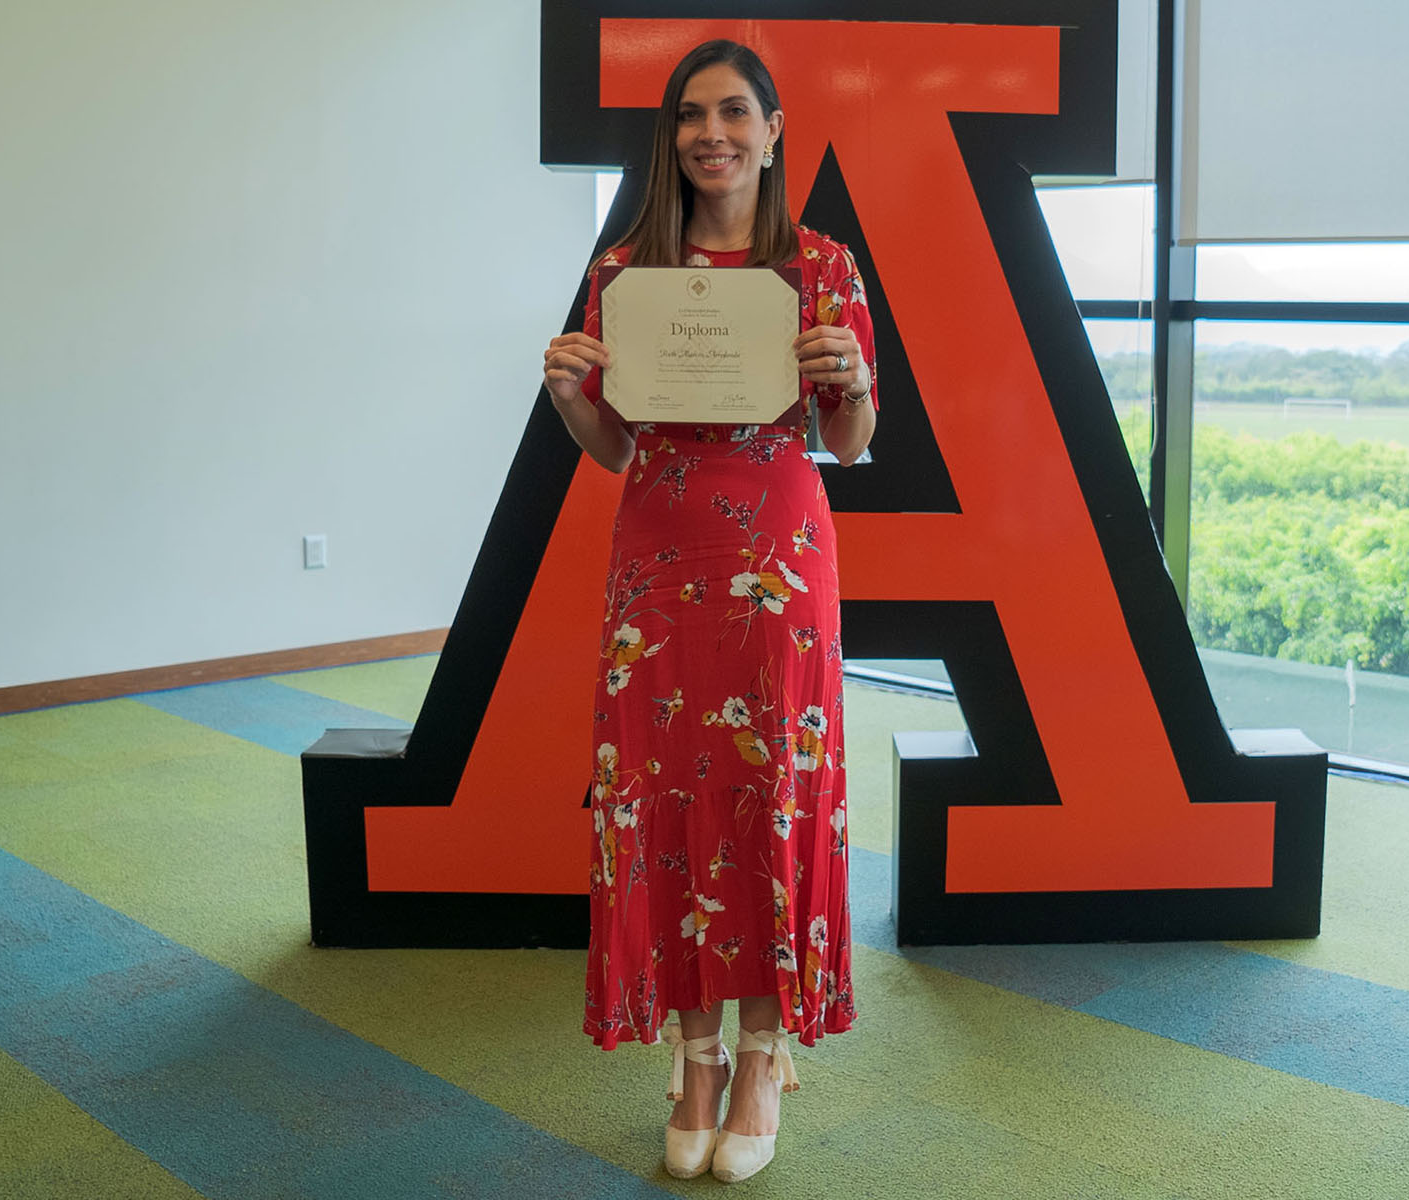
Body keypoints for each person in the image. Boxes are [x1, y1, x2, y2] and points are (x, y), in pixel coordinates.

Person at [540, 38, 876, 1184]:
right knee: (665, 792)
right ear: (670, 136)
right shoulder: (629, 269)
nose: (712, 133)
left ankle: (764, 1055)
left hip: (778, 562)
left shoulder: (823, 268)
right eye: (691, 115)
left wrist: (856, 384)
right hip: (657, 565)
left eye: (736, 112)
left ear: (775, 130)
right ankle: (692, 1057)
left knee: (766, 791)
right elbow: (610, 449)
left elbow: (847, 442)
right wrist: (571, 397)